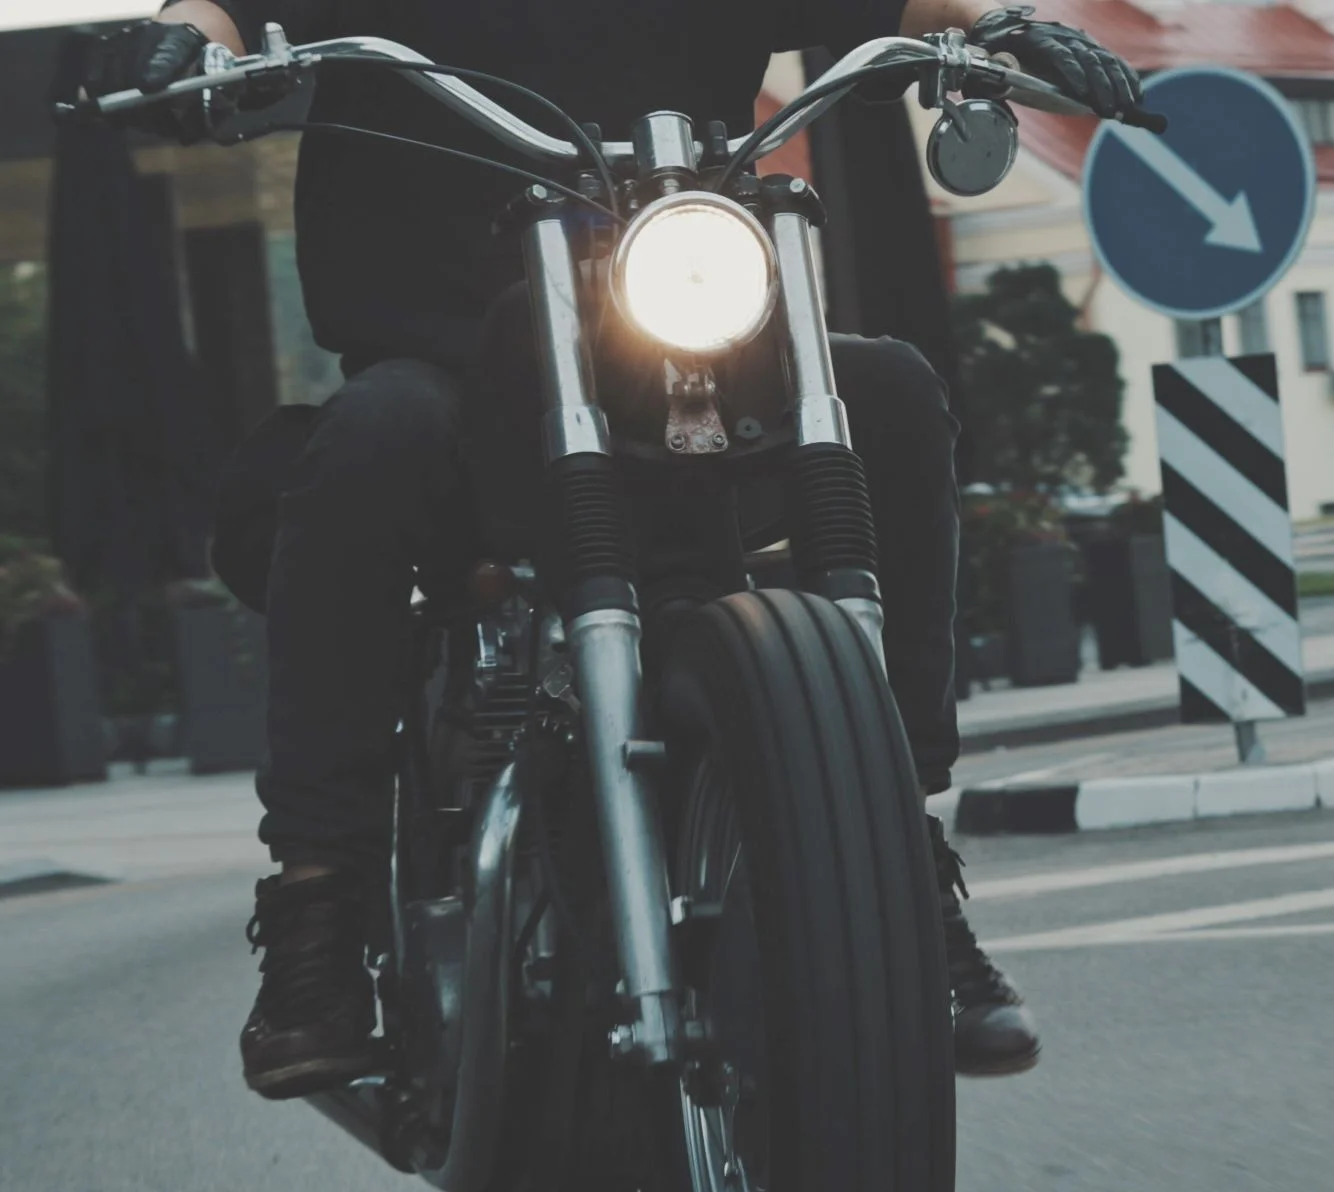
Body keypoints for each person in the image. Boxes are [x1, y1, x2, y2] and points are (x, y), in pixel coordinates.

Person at [82, 0, 1143, 1098]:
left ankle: (898, 856)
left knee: (889, 397)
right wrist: (180, 42)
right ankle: (317, 908)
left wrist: (1007, 28)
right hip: (459, 375)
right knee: (371, 437)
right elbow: (227, 6)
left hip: (685, 351)